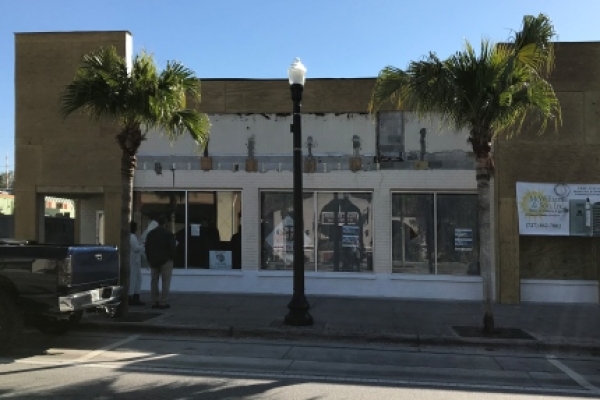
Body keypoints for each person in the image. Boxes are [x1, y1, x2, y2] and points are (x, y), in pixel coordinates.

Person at [144, 215, 176, 309]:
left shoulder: (151, 234)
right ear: (165, 223)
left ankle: (154, 301)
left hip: (154, 261)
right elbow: (172, 248)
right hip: (166, 261)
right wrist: (172, 257)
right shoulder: (168, 234)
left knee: (154, 281)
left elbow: (147, 248)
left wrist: (149, 259)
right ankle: (163, 302)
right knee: (165, 282)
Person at [129, 221, 145, 306]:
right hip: (133, 261)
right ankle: (131, 297)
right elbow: (136, 248)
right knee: (133, 279)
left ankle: (135, 296)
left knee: (137, 279)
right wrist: (142, 245)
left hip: (135, 261)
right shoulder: (131, 237)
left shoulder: (132, 237)